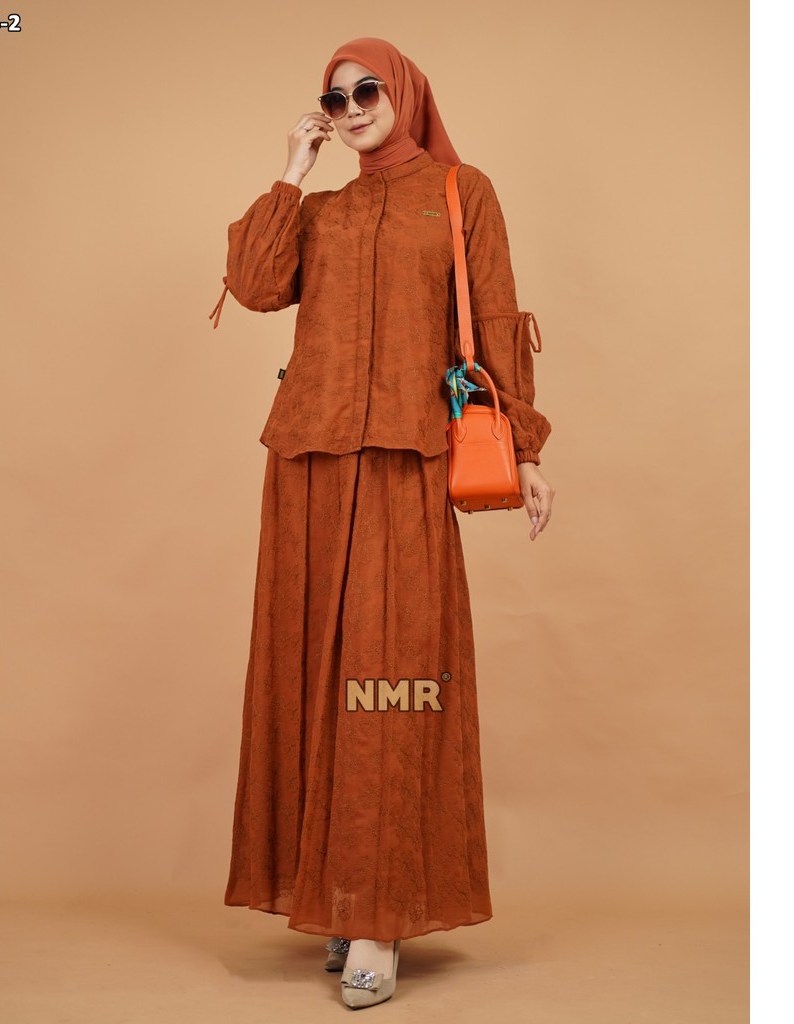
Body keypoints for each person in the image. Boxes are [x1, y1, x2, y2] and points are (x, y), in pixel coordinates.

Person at [208, 36, 555, 1009]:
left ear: (404, 92)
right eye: (335, 96)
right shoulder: (322, 210)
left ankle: (379, 915)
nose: (352, 106)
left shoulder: (460, 192)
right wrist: (292, 170)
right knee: (312, 683)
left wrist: (526, 449)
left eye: (368, 90)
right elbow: (255, 285)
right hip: (308, 466)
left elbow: (493, 318)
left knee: (388, 688)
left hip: (408, 464)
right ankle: (334, 895)